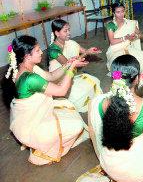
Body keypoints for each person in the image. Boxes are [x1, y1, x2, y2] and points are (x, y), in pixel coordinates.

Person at [1, 35, 88, 165]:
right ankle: (42, 151)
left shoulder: (26, 66)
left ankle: (42, 141)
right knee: (77, 126)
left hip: (31, 118)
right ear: (27, 56)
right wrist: (71, 69)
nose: (42, 52)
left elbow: (51, 76)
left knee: (67, 105)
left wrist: (67, 63)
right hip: (31, 126)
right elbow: (61, 91)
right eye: (37, 50)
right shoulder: (30, 78)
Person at [47, 19, 103, 113]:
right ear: (57, 33)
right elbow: (69, 65)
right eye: (65, 31)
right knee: (79, 97)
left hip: (72, 75)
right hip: (60, 79)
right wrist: (86, 54)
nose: (69, 33)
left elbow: (84, 51)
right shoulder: (53, 50)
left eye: (69, 29)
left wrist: (88, 51)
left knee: (95, 81)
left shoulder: (70, 43)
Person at [106, 3, 143, 73]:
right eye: (118, 12)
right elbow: (112, 41)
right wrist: (125, 38)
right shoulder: (111, 25)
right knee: (119, 66)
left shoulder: (130, 23)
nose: (121, 14)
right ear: (113, 13)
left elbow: (141, 35)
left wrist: (135, 37)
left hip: (128, 48)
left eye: (122, 11)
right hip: (115, 50)